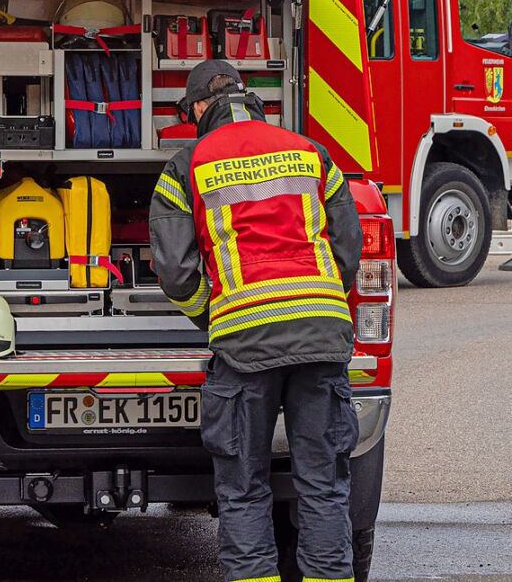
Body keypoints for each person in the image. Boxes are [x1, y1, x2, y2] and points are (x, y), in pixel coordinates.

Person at [149, 59, 363, 582]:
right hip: (321, 338)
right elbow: (349, 243)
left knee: (244, 490)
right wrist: (320, 301)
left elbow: (176, 271)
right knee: (324, 487)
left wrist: (215, 314)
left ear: (199, 107)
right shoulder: (311, 152)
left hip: (244, 348)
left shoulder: (185, 166)